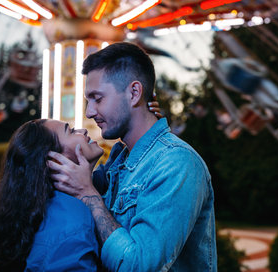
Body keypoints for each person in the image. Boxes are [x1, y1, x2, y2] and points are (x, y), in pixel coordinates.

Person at [48, 42, 217, 271]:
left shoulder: (176, 163)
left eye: (97, 98)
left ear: (134, 93)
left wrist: (87, 194)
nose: (89, 112)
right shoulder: (119, 161)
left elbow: (138, 265)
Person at [0, 119, 104, 272]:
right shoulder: (71, 215)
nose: (83, 131)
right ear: (56, 160)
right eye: (71, 131)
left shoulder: (40, 208)